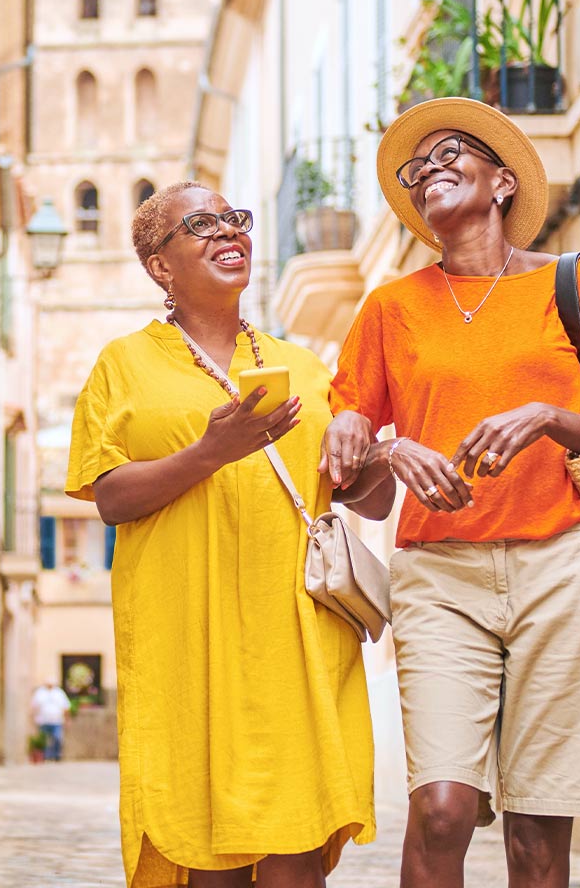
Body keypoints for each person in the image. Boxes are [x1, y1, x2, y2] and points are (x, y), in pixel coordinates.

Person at [319, 97, 580, 888]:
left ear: (503, 182)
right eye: (418, 167)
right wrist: (391, 450)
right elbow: (359, 494)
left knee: (539, 835)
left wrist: (551, 418)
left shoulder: (576, 286)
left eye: (450, 154)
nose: (430, 168)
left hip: (567, 571)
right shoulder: (390, 310)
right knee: (440, 809)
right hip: (441, 578)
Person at [69, 182, 375, 888]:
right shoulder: (124, 365)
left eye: (235, 219)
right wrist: (209, 452)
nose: (227, 231)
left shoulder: (302, 367)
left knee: (296, 856)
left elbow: (361, 492)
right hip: (188, 647)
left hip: (295, 644)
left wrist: (376, 451)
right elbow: (110, 498)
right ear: (160, 265)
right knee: (208, 860)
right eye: (200, 224)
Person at [30, 682, 71, 762]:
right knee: (44, 740)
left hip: (56, 720)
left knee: (57, 738)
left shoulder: (59, 692)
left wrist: (67, 719)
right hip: (43, 720)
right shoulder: (40, 693)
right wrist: (32, 718)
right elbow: (33, 706)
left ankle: (57, 755)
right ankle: (45, 756)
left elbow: (66, 706)